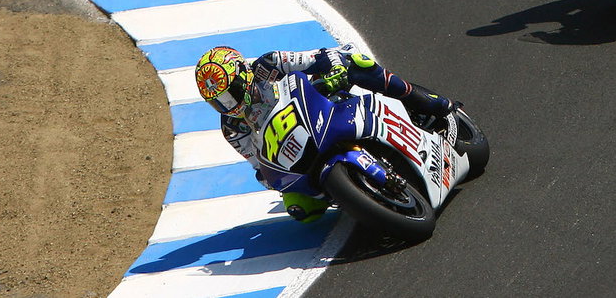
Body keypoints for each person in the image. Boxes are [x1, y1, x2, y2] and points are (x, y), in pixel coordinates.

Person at [194, 45, 455, 223]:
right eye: (219, 101)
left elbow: (318, 57)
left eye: (232, 93)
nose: (230, 104)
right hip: (297, 149)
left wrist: (334, 69)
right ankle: (353, 195)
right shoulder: (232, 128)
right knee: (300, 210)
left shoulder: (268, 64)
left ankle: (424, 99)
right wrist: (269, 177)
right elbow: (256, 163)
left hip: (324, 105)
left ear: (243, 74)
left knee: (357, 62)